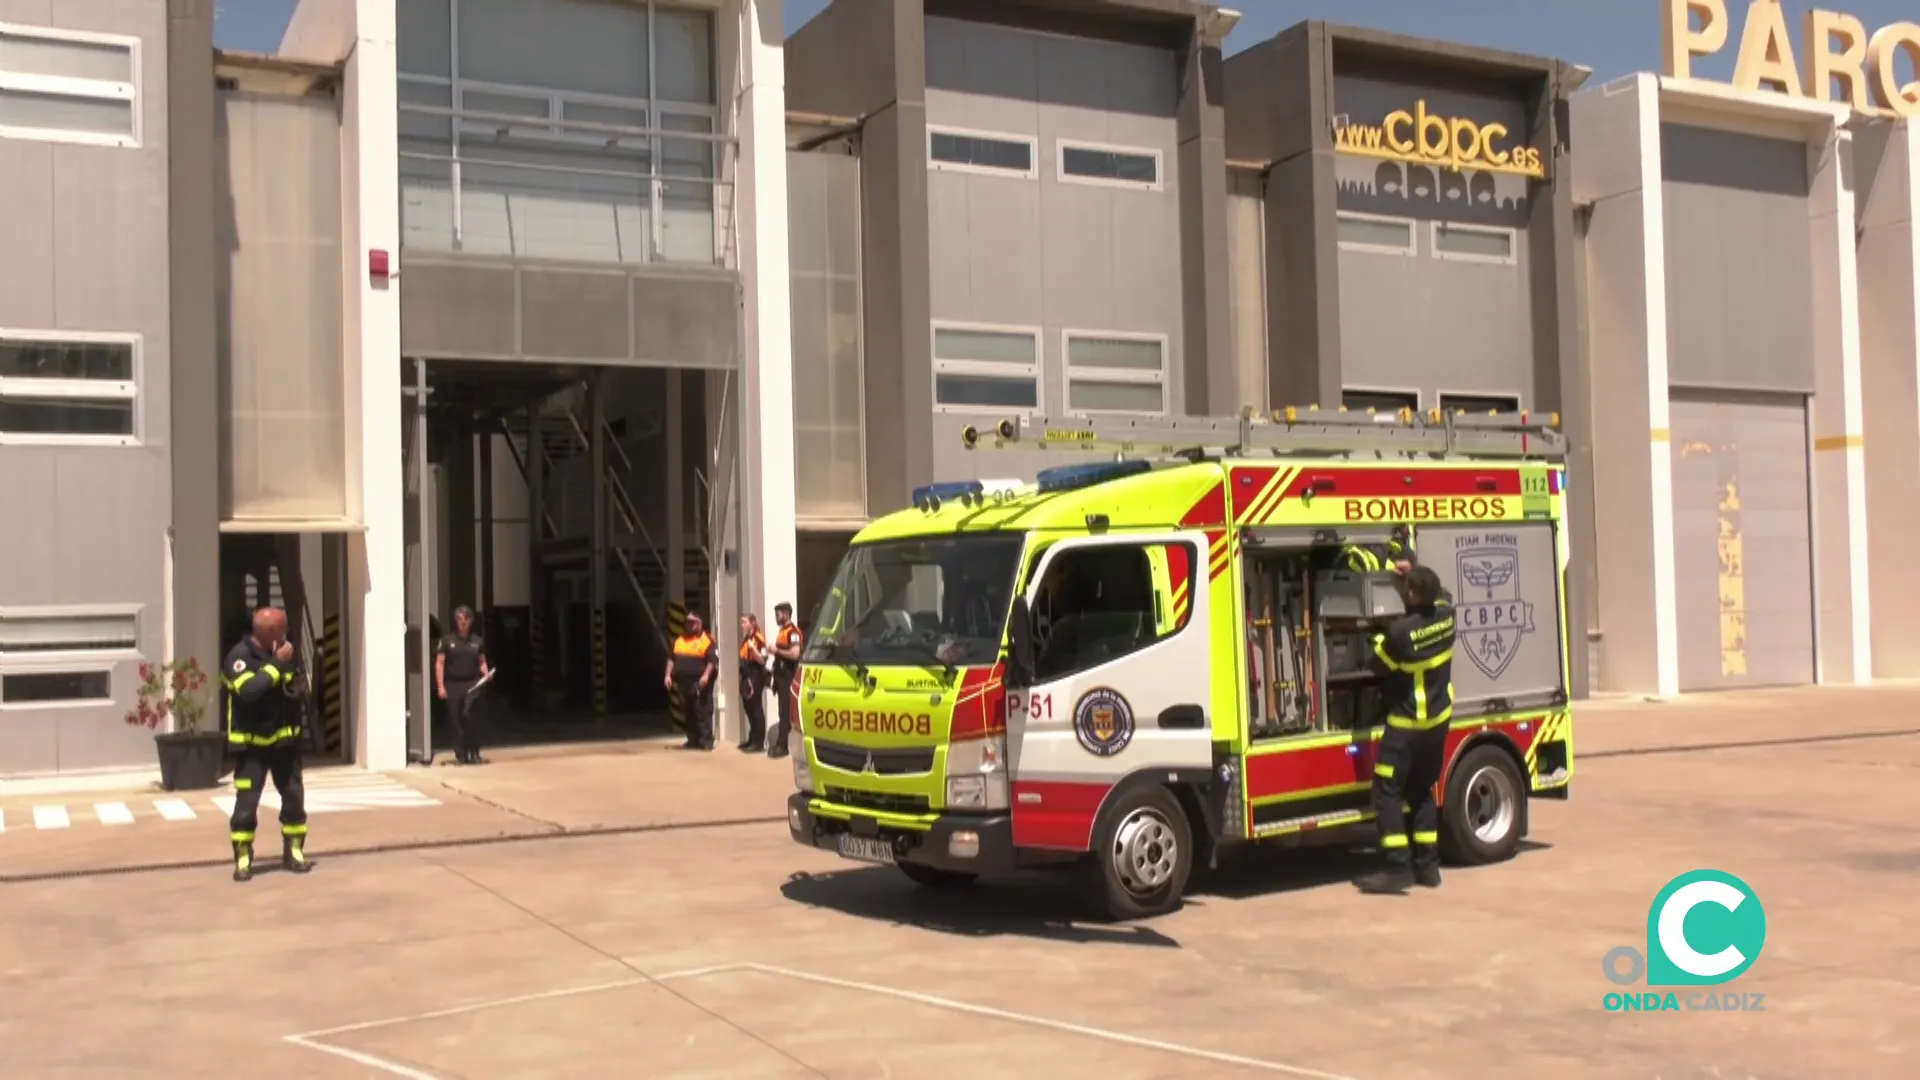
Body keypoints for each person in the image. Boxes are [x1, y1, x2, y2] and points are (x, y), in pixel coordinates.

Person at [1356, 565, 1456, 895]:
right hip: (1437, 723)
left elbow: (1376, 663)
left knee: (1387, 791)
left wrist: (1377, 635)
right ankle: (1428, 868)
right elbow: (1440, 597)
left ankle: (1398, 867)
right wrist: (1413, 572)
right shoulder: (1447, 617)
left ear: (1411, 595)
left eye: (1407, 588)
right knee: (1421, 789)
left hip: (1406, 726)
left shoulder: (1399, 634)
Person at [222, 606, 312, 883]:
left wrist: (298, 685)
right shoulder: (239, 657)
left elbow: (293, 688)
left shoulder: (284, 653)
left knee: (294, 797)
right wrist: (275, 667)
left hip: (284, 742)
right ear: (269, 631)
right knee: (247, 803)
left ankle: (294, 852)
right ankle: (244, 857)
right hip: (253, 747)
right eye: (282, 629)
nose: (286, 634)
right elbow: (250, 691)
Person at [435, 605, 491, 765]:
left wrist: (486, 674)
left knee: (470, 716)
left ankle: (474, 752)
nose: (463, 623)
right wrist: (441, 686)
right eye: (459, 619)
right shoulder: (447, 641)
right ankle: (461, 754)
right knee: (455, 719)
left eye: (466, 619)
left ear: (471, 621)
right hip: (453, 684)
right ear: (456, 621)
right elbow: (439, 663)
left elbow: (482, 662)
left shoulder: (477, 641)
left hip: (472, 684)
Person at [665, 612, 718, 750]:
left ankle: (705, 741)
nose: (689, 624)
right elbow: (671, 658)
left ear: (699, 623)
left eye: (692, 622)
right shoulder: (679, 640)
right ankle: (692, 740)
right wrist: (668, 675)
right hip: (684, 683)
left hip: (700, 682)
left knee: (702, 711)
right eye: (687, 622)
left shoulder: (707, 640)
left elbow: (712, 661)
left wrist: (706, 676)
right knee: (688, 711)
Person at [768, 603, 802, 759]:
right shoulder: (782, 631)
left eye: (779, 613)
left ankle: (783, 746)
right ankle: (781, 744)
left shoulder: (793, 632)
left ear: (787, 614)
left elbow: (795, 654)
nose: (777, 616)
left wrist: (777, 651)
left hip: (788, 676)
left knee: (785, 712)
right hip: (780, 676)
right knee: (783, 711)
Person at [737, 613, 770, 752]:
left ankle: (758, 742)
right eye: (741, 622)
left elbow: (762, 660)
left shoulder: (758, 639)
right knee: (749, 708)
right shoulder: (747, 639)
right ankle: (752, 738)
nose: (742, 625)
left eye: (744, 622)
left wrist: (753, 649)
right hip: (746, 675)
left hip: (755, 674)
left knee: (756, 708)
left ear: (753, 623)